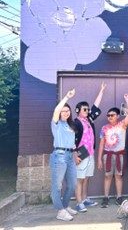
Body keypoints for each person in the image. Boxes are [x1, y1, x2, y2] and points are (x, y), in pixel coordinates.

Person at [73, 82, 106, 212]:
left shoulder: (89, 120)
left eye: (87, 109)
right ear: (78, 111)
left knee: (86, 178)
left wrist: (102, 91)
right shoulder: (76, 123)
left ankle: (85, 199)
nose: (87, 111)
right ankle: (79, 202)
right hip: (81, 152)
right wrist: (75, 154)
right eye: (84, 109)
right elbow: (72, 141)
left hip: (90, 152)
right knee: (80, 178)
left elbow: (95, 106)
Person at [97, 94, 128, 207]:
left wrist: (126, 99)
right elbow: (101, 144)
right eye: (108, 115)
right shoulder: (104, 128)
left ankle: (119, 197)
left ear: (117, 116)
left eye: (112, 115)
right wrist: (99, 159)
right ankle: (106, 198)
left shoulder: (122, 125)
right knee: (107, 176)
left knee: (118, 176)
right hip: (107, 155)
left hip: (119, 155)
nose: (110, 117)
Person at [50, 88, 78, 221]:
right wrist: (67, 97)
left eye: (68, 111)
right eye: (63, 111)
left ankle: (65, 206)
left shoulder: (70, 125)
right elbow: (56, 110)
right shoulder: (56, 124)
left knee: (72, 184)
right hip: (59, 156)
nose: (66, 113)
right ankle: (60, 210)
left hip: (69, 156)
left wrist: (73, 148)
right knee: (57, 185)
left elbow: (71, 142)